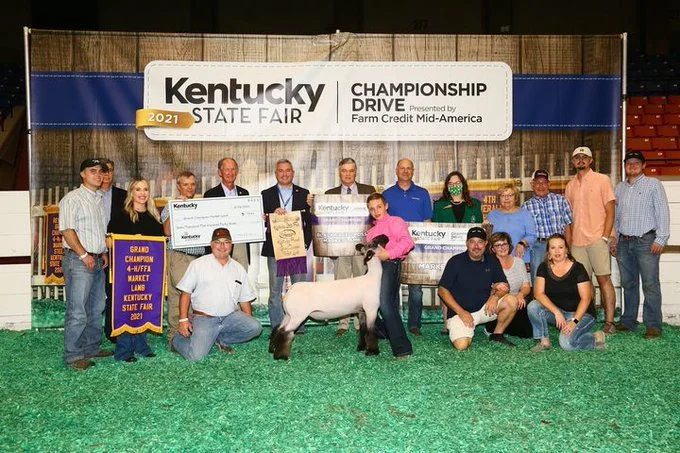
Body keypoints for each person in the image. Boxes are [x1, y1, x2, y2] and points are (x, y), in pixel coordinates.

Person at [173, 228, 262, 361]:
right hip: (205, 319)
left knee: (255, 327)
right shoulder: (198, 264)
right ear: (211, 244)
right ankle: (177, 340)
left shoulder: (238, 268)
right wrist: (183, 320)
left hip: (229, 317)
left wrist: (247, 320)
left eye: (226, 242)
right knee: (196, 357)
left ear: (231, 244)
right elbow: (185, 293)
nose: (222, 246)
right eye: (217, 242)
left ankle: (218, 337)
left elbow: (244, 299)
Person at [610, 151, 670, 339]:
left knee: (650, 284)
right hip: (624, 242)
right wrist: (614, 239)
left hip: (646, 241)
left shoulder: (653, 185)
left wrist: (661, 238)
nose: (633, 165)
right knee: (628, 283)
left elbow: (663, 212)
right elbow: (616, 217)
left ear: (643, 165)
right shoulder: (619, 188)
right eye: (629, 162)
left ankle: (653, 325)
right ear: (625, 166)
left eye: (637, 162)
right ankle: (628, 321)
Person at [59, 158, 111, 371]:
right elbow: (67, 231)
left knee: (96, 307)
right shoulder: (72, 199)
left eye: (101, 171)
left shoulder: (98, 199)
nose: (98, 175)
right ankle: (73, 355)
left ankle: (91, 348)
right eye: (92, 171)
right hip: (79, 260)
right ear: (82, 174)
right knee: (78, 309)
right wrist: (83, 255)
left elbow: (97, 231)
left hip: (97, 258)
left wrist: (103, 252)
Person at [107, 178, 164, 362]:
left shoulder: (154, 220)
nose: (142, 193)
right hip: (125, 273)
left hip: (146, 272)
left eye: (145, 189)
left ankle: (141, 345)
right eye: (138, 189)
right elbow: (109, 241)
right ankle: (124, 350)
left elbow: (159, 248)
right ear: (131, 192)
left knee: (143, 307)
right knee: (126, 308)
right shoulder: (121, 216)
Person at [437, 226, 518, 350]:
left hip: (485, 309)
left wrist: (495, 297)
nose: (476, 246)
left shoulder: (492, 260)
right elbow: (442, 290)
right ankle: (462, 329)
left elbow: (504, 286)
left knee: (511, 300)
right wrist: (461, 312)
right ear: (466, 244)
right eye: (472, 242)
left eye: (480, 242)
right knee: (462, 346)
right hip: (461, 312)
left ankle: (497, 334)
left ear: (485, 244)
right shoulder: (455, 261)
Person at [564, 146, 617, 334]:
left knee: (604, 280)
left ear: (591, 160)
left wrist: (606, 236)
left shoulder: (603, 180)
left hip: (597, 239)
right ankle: (587, 321)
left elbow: (611, 210)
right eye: (577, 157)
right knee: (583, 285)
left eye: (584, 157)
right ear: (573, 162)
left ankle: (609, 322)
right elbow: (568, 218)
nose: (580, 160)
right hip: (577, 242)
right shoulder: (570, 185)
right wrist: (569, 244)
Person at [527, 234, 607, 352]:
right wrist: (556, 312)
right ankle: (544, 342)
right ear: (548, 252)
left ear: (566, 250)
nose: (557, 251)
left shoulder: (578, 268)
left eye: (560, 247)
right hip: (558, 313)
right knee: (533, 306)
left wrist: (574, 321)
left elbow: (586, 298)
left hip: (581, 314)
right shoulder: (543, 267)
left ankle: (595, 338)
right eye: (553, 248)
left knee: (567, 344)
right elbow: (538, 294)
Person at [324, 157, 376, 337]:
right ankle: (343, 322)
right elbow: (323, 222)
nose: (347, 174)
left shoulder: (368, 191)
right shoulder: (329, 194)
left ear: (356, 172)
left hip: (362, 248)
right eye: (344, 171)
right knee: (341, 285)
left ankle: (360, 322)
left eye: (351, 171)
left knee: (362, 286)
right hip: (339, 248)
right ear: (339, 173)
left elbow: (375, 217)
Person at [382, 158, 433, 336]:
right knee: (391, 289)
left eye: (408, 168)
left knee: (416, 290)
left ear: (413, 171)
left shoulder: (423, 193)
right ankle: (393, 324)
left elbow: (428, 222)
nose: (405, 171)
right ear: (396, 170)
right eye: (402, 168)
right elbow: (382, 222)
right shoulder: (387, 194)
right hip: (393, 250)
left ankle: (414, 325)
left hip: (417, 249)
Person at [261, 159, 312, 332]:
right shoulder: (265, 194)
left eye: (288, 170)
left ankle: (299, 326)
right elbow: (260, 219)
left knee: (299, 289)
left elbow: (310, 222)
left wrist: (305, 243)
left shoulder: (304, 194)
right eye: (281, 171)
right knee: (275, 291)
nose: (284, 174)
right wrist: (270, 215)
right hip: (275, 249)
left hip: (296, 248)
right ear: (276, 174)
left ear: (293, 173)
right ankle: (277, 327)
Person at [432, 170, 483, 334]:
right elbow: (436, 230)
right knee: (447, 285)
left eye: (457, 183)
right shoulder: (439, 206)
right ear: (447, 186)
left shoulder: (474, 204)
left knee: (468, 285)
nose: (454, 186)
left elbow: (480, 228)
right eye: (451, 183)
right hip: (446, 253)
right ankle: (447, 323)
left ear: (463, 184)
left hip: (470, 254)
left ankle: (472, 318)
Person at [365, 192, 414, 358]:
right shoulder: (371, 233)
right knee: (364, 305)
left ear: (386, 206)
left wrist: (389, 254)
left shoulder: (396, 222)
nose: (376, 211)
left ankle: (402, 348)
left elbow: (408, 242)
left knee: (386, 305)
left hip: (390, 264)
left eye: (379, 207)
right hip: (374, 268)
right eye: (372, 209)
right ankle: (385, 332)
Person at [160, 171, 205, 349]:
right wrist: (179, 208)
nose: (189, 188)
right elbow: (167, 231)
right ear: (179, 186)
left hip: (198, 257)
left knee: (196, 297)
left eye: (193, 184)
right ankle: (173, 337)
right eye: (185, 184)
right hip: (179, 255)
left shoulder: (200, 206)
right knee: (179, 296)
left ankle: (192, 334)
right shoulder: (171, 205)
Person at [521, 169, 573, 283]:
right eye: (537, 183)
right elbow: (525, 234)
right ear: (532, 185)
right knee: (538, 279)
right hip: (538, 246)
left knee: (561, 278)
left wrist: (568, 249)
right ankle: (537, 301)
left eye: (544, 182)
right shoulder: (526, 207)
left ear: (549, 184)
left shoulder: (561, 201)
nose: (541, 186)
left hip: (559, 245)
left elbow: (568, 227)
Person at [98, 158, 127, 344]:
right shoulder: (89, 195)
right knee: (94, 296)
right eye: (103, 170)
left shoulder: (123, 196)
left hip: (117, 252)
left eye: (110, 170)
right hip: (93, 250)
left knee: (115, 292)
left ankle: (113, 331)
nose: (107, 174)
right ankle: (90, 337)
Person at [204, 157, 250, 269]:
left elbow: (249, 217)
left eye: (233, 169)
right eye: (227, 169)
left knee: (240, 280)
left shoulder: (244, 193)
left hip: (240, 245)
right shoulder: (210, 195)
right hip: (220, 246)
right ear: (220, 172)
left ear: (237, 172)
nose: (230, 173)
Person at [485, 232, 532, 338]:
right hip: (498, 302)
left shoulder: (519, 262)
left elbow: (526, 287)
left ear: (509, 245)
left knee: (527, 334)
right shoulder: (489, 263)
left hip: (517, 301)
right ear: (493, 249)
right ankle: (493, 328)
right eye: (498, 245)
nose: (502, 248)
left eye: (504, 244)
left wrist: (520, 295)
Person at [486, 183, 536, 269]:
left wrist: (522, 243)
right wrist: (486, 229)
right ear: (499, 198)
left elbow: (532, 236)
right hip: (498, 262)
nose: (506, 198)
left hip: (520, 260)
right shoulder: (492, 215)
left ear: (516, 197)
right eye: (503, 195)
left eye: (510, 195)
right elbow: (489, 239)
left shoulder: (525, 214)